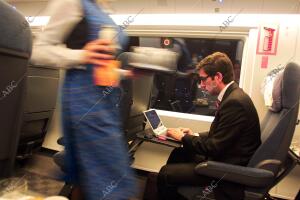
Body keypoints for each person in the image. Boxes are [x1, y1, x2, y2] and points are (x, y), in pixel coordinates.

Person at [31, 0, 136, 200]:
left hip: (106, 104)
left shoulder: (103, 8)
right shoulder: (71, 2)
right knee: (108, 181)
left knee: (91, 177)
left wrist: (127, 73)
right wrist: (83, 55)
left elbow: (100, 65)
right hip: (84, 102)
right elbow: (38, 51)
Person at [157, 52, 261, 200]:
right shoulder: (233, 95)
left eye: (203, 79)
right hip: (225, 156)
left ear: (217, 77)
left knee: (165, 173)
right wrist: (195, 135)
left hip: (225, 168)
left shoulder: (235, 103)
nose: (201, 85)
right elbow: (221, 133)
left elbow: (213, 147)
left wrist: (184, 137)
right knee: (178, 154)